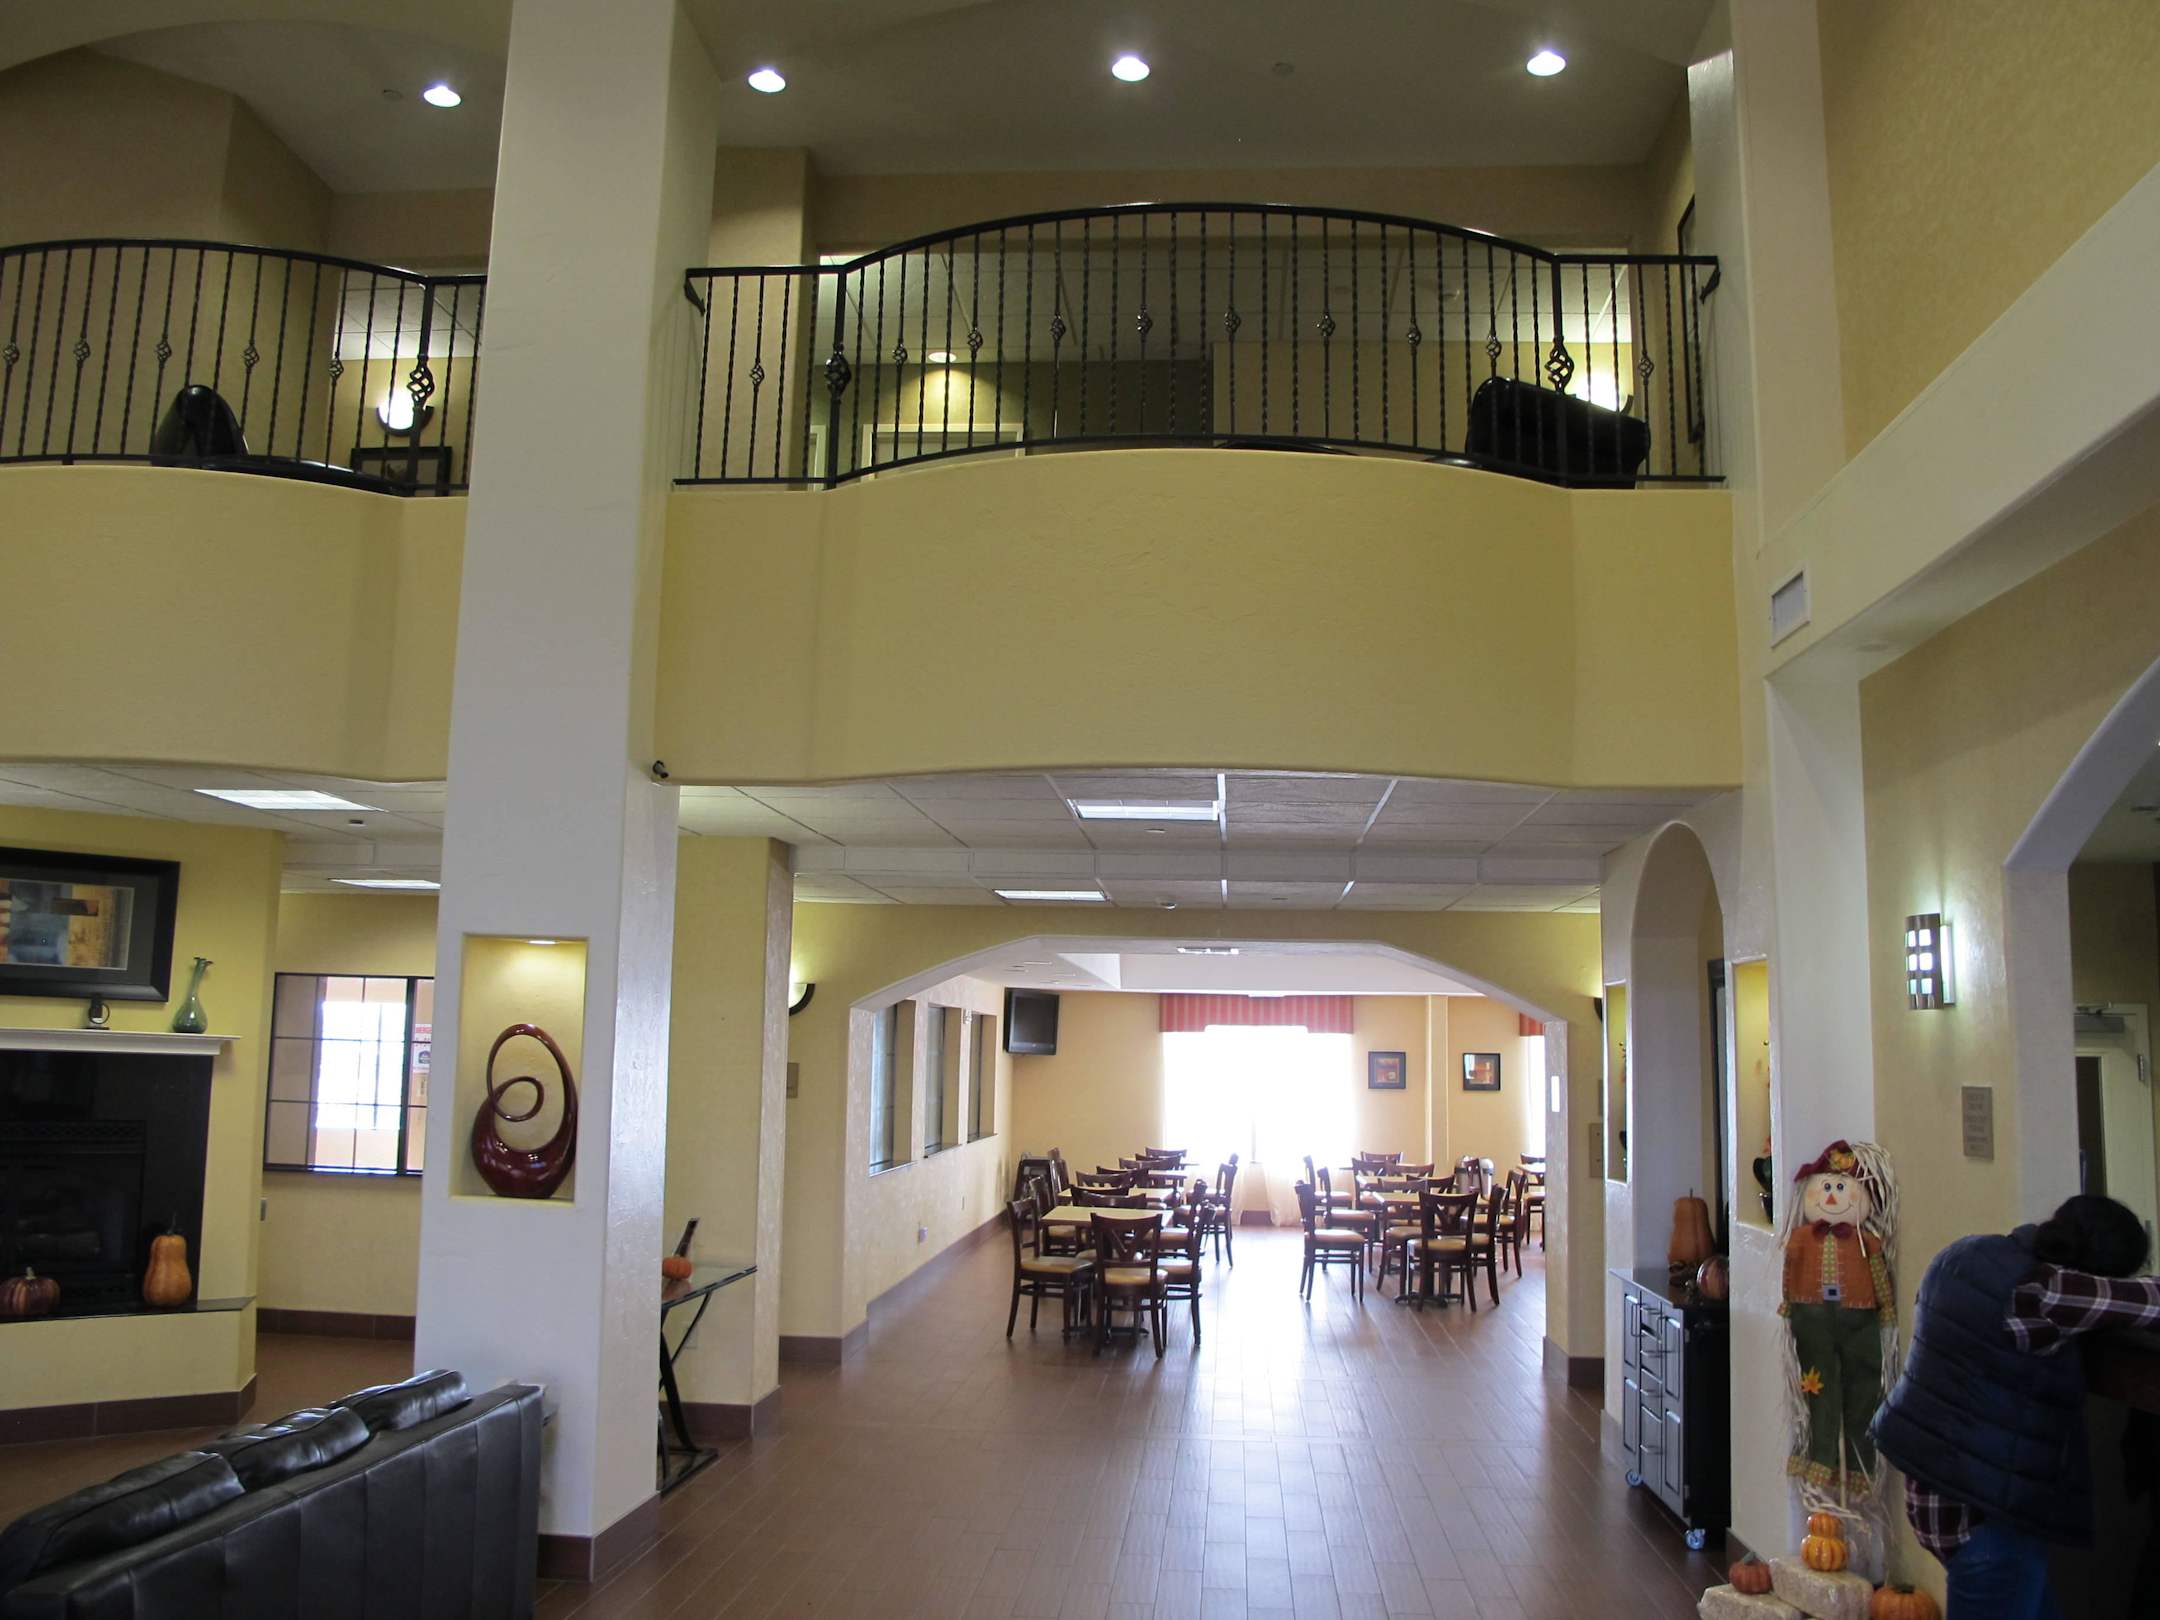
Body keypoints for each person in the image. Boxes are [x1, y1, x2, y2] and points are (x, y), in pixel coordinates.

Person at [1870, 1194, 2160, 1618]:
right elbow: (2150, 1300)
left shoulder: (1965, 1254)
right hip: (1985, 1514)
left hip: (1934, 1493)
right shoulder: (2043, 1294)